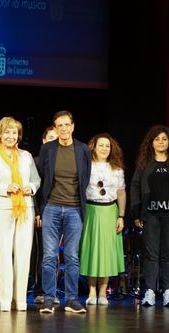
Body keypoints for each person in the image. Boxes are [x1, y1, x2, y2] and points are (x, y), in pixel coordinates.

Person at [0, 117, 40, 312]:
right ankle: (5, 300)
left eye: (14, 132)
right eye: (7, 132)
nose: (10, 136)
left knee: (24, 255)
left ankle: (21, 299)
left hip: (25, 208)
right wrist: (5, 188)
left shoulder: (26, 156)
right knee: (4, 255)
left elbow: (36, 180)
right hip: (2, 209)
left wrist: (31, 187)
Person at [37, 110, 91, 314]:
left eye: (67, 124)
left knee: (72, 256)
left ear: (73, 126)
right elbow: (42, 176)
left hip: (74, 208)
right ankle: (50, 298)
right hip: (51, 206)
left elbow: (85, 177)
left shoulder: (83, 150)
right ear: (55, 128)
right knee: (49, 256)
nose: (64, 129)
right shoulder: (48, 149)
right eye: (60, 126)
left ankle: (72, 299)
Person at [130, 125, 169, 308]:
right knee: (151, 254)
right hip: (150, 215)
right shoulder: (145, 163)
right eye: (157, 139)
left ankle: (167, 291)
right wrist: (137, 213)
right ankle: (150, 291)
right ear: (151, 143)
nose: (161, 142)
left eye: (164, 139)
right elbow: (135, 187)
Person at [79, 133, 126, 306]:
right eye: (101, 145)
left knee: (106, 251)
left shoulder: (117, 168)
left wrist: (121, 215)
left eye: (108, 146)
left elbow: (121, 192)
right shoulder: (86, 166)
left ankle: (103, 291)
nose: (105, 148)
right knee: (92, 250)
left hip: (109, 211)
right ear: (94, 147)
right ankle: (91, 290)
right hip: (91, 210)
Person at [30, 126, 58, 304]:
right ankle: (39, 289)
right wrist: (38, 212)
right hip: (43, 212)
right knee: (42, 252)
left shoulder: (64, 160)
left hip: (61, 210)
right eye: (50, 137)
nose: (54, 141)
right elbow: (35, 190)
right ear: (44, 140)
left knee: (55, 254)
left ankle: (52, 291)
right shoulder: (37, 161)